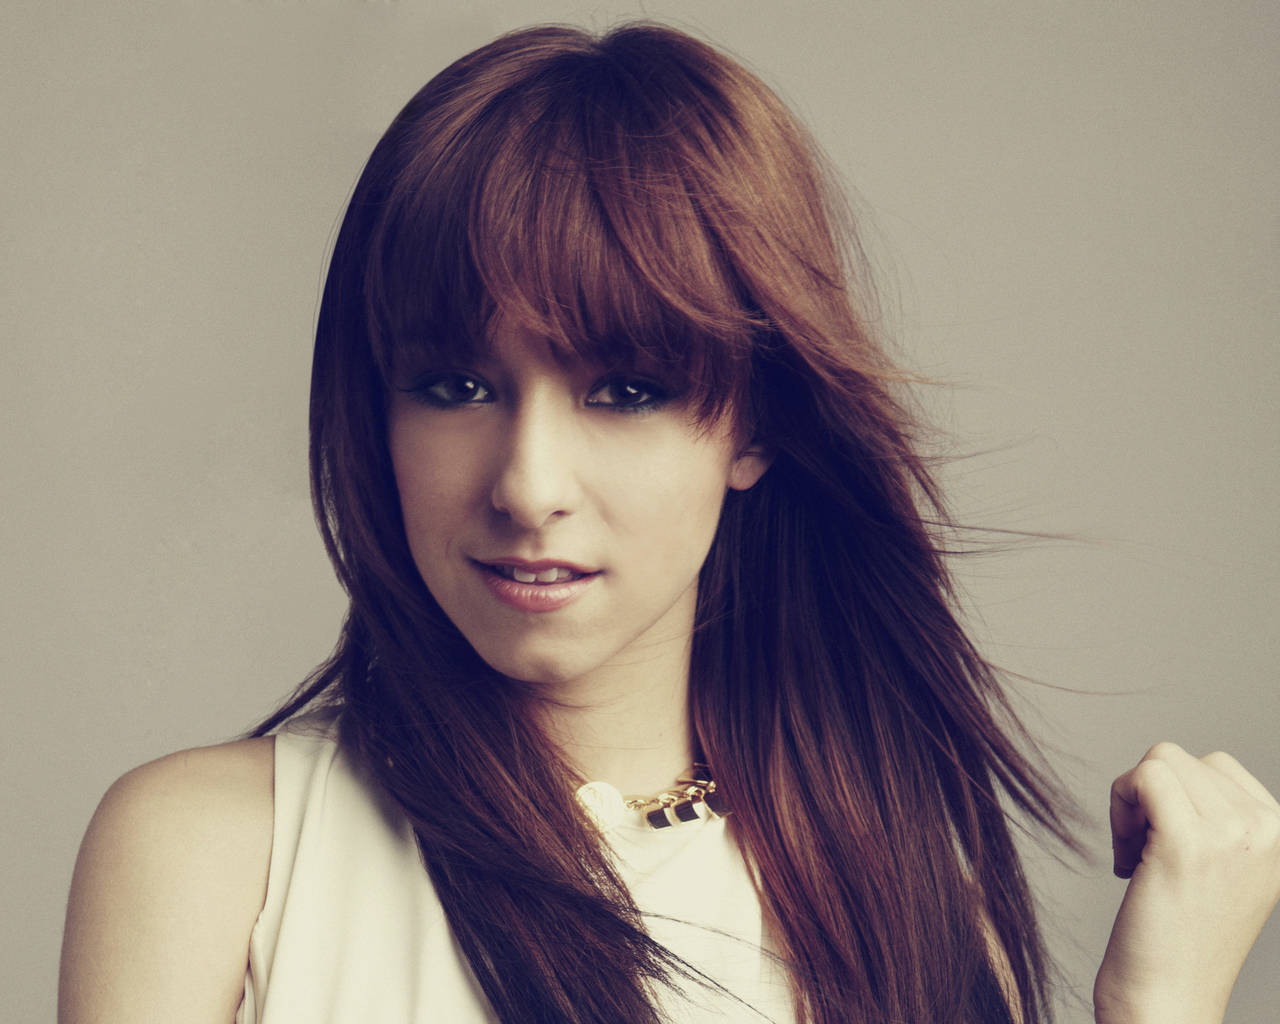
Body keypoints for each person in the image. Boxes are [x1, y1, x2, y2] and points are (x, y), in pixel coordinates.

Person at [57, 21, 1280, 1024]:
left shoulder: (901, 904)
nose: (526, 483)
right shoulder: (212, 854)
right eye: (455, 384)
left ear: (754, 427)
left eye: (625, 391)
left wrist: (1159, 1005)